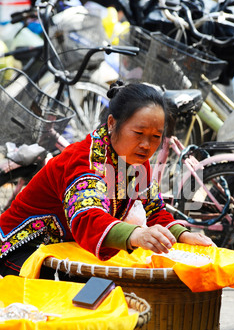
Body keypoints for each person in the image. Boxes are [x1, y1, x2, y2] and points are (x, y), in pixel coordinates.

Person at [0, 81, 213, 278]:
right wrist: (137, 235)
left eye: (155, 137)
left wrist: (182, 234)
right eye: (138, 133)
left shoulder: (137, 162)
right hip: (21, 249)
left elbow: (152, 210)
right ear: (112, 123)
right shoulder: (86, 160)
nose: (146, 145)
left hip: (66, 252)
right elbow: (87, 217)